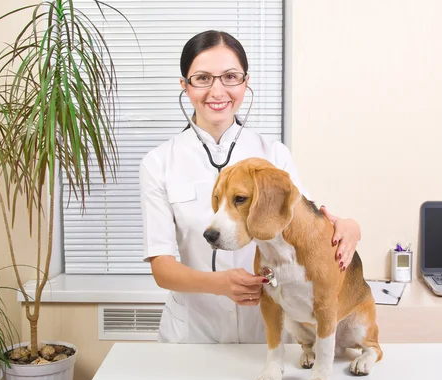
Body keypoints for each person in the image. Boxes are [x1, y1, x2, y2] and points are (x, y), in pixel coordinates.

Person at [139, 30, 362, 344]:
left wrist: (349, 226)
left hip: (267, 335)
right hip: (193, 335)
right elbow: (162, 268)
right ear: (185, 86)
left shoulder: (273, 154)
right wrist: (219, 284)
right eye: (202, 78)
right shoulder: (158, 162)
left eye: (230, 77)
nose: (217, 90)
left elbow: (304, 223)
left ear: (246, 82)